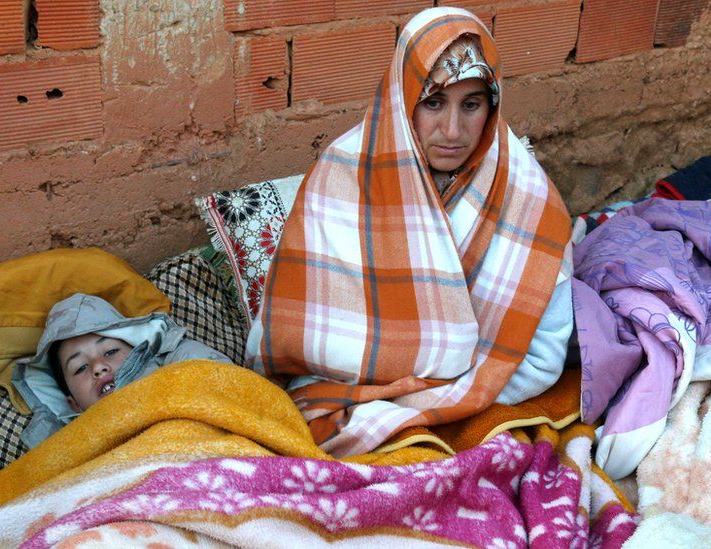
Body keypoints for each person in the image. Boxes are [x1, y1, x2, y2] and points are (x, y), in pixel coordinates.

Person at [245, 7, 574, 457]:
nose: (452, 130)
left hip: (482, 394)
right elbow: (299, 345)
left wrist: (433, 404)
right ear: (403, 99)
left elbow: (541, 356)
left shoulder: (526, 194)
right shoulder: (340, 176)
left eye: (471, 105)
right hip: (347, 393)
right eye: (433, 102)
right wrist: (398, 398)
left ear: (493, 106)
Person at [12, 293, 233, 446]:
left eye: (110, 352)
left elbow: (231, 391)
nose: (98, 367)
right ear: (73, 403)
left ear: (141, 352)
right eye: (80, 368)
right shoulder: (68, 447)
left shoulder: (181, 362)